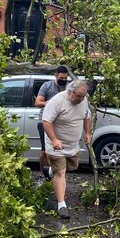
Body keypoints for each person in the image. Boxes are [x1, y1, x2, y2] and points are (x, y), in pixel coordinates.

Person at [42, 79, 91, 220]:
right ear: (70, 91)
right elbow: (46, 121)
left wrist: (87, 133)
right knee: (60, 173)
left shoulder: (84, 100)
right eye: (78, 96)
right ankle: (61, 205)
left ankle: (49, 171)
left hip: (72, 145)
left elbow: (87, 116)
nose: (81, 99)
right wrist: (54, 139)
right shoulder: (57, 101)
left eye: (83, 96)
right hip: (56, 144)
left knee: (72, 166)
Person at [35, 66, 69, 175]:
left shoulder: (69, 88)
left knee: (60, 150)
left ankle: (56, 174)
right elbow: (37, 103)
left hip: (61, 122)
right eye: (61, 78)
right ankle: (43, 174)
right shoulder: (47, 86)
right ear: (56, 76)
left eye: (65, 78)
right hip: (45, 121)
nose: (63, 80)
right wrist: (48, 103)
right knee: (45, 150)